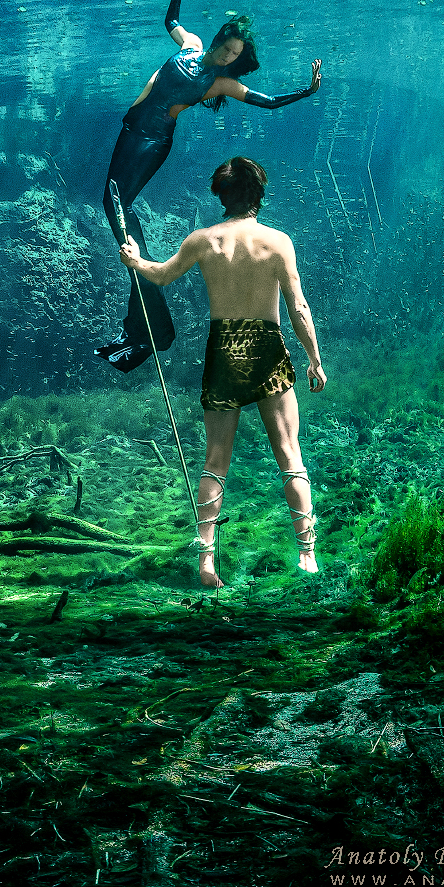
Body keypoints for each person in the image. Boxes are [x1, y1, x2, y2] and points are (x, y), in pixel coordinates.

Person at [97, 0, 321, 373]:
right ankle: (141, 324)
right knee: (117, 208)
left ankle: (151, 329)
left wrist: (305, 92)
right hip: (130, 128)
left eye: (235, 56)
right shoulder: (191, 45)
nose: (228, 58)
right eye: (228, 49)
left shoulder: (219, 83)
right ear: (218, 40)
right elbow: (171, 21)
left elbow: (265, 102)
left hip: (150, 141)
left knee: (117, 208)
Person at [119, 156, 326, 583]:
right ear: (258, 194)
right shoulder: (277, 242)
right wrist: (314, 359)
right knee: (290, 455)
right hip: (266, 346)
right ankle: (307, 554)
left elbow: (160, 275)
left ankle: (206, 560)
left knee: (215, 460)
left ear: (221, 195)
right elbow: (298, 307)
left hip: (223, 350)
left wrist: (136, 260)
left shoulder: (202, 240)